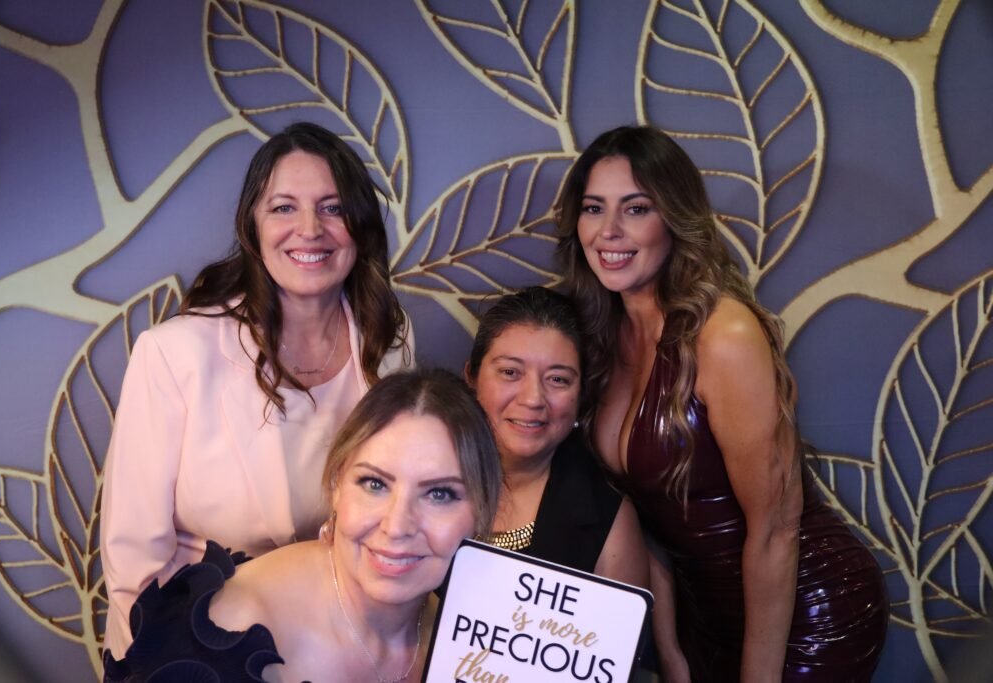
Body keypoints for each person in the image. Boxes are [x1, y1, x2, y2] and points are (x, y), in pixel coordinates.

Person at [555, 125, 889, 682]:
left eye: (636, 209)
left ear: (675, 219)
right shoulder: (598, 338)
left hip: (807, 610)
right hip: (703, 617)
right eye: (594, 208)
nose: (609, 231)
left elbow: (777, 528)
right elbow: (648, 519)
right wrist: (672, 650)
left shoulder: (723, 335)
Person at [100, 122, 414, 659]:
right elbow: (136, 561)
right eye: (284, 208)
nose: (310, 229)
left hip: (343, 641)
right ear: (253, 226)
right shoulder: (174, 354)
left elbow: (399, 504)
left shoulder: (392, 337)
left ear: (358, 226)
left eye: (333, 208)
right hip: (201, 644)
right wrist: (163, 666)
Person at [103, 368, 502, 682]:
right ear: (336, 488)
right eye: (375, 484)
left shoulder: (482, 641)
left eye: (439, 495)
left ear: (481, 509)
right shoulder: (226, 634)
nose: (397, 526)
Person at [465, 287, 648, 586]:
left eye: (558, 379)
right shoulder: (423, 474)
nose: (533, 399)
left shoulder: (607, 518)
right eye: (510, 372)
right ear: (472, 378)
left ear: (580, 395)